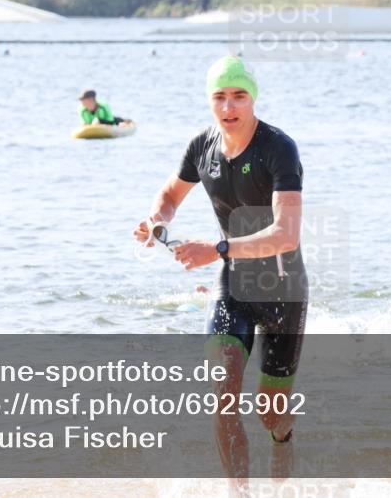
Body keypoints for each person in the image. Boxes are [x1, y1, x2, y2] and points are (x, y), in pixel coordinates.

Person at [133, 56, 306, 492]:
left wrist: (218, 248)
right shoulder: (201, 147)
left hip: (283, 289)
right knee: (223, 393)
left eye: (239, 96)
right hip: (233, 284)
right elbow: (170, 195)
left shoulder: (278, 148)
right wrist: (157, 219)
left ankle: (283, 439)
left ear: (253, 99)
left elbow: (286, 234)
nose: (229, 107)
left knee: (270, 411)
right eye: (219, 97)